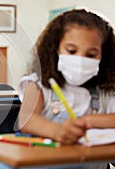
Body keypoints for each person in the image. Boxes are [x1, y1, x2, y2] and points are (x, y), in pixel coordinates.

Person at [17, 9, 115, 168]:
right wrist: (57, 131)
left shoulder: (105, 90)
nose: (80, 60)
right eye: (71, 51)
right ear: (55, 48)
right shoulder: (37, 84)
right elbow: (26, 120)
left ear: (103, 56)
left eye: (91, 55)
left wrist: (87, 121)